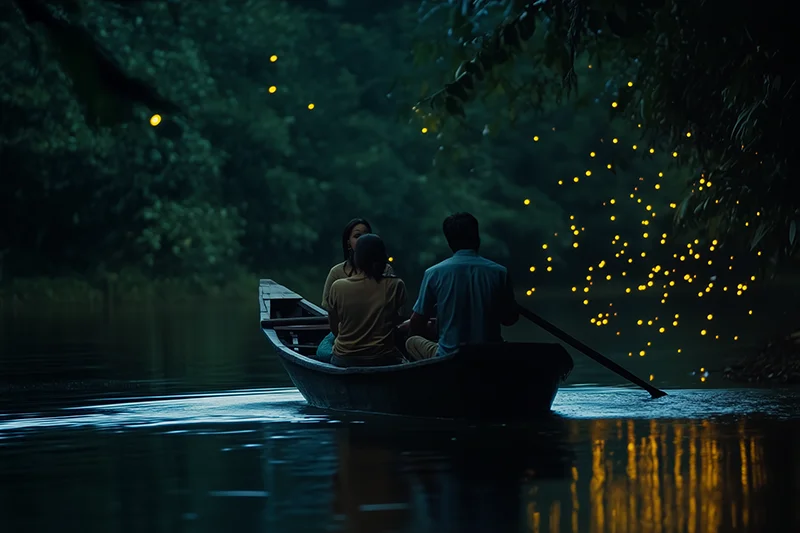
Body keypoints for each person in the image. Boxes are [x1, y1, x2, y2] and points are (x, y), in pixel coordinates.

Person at [405, 212, 519, 360]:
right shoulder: (499, 272)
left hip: (449, 357)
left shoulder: (433, 273)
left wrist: (439, 329)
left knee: (411, 342)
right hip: (490, 356)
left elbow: (416, 323)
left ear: (449, 242)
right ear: (477, 238)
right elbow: (509, 319)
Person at [316, 218, 394, 362]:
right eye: (357, 236)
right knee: (324, 348)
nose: (362, 241)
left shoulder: (386, 271)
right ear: (348, 243)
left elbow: (392, 314)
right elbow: (332, 316)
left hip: (377, 332)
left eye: (365, 236)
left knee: (324, 350)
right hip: (346, 330)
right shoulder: (337, 272)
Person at [327, 233, 406, 367]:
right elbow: (397, 320)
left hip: (345, 358)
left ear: (357, 258)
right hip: (383, 357)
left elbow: (334, 325)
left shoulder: (338, 286)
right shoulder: (396, 285)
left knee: (325, 347)